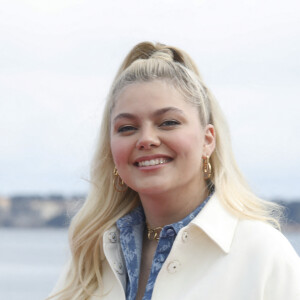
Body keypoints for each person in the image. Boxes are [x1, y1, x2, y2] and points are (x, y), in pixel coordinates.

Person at [48, 42, 300, 300]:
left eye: (168, 123)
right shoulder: (93, 258)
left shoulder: (263, 256)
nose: (146, 139)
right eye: (127, 128)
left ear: (208, 140)